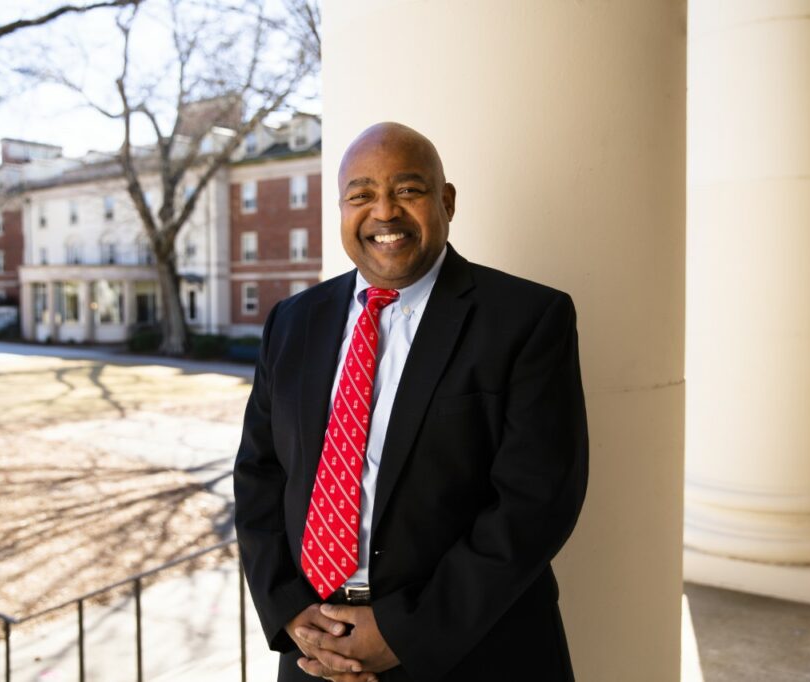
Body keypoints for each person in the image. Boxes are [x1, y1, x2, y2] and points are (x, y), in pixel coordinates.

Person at [234, 122, 588, 681]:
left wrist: (406, 631)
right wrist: (290, 611)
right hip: (316, 654)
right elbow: (260, 475)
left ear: (445, 201)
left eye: (408, 190)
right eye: (362, 195)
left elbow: (536, 503)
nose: (384, 213)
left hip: (472, 653)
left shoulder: (525, 320)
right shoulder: (293, 322)